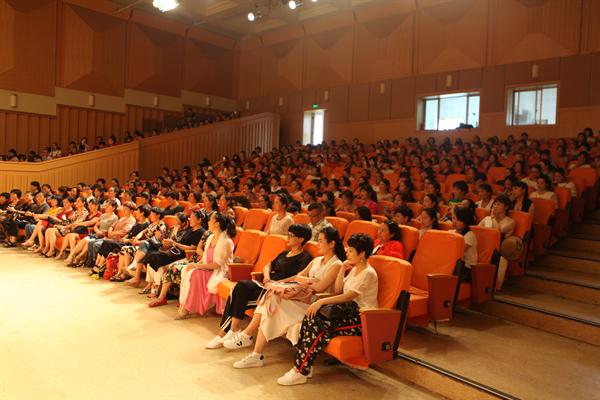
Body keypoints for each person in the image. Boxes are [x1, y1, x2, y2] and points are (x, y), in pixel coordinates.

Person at [229, 227, 345, 368]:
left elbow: (320, 288)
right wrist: (311, 280)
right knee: (271, 301)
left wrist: (307, 281)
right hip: (301, 299)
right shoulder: (317, 260)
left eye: (320, 241)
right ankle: (254, 351)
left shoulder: (336, 264)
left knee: (271, 301)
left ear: (331, 244)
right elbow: (298, 276)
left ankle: (249, 339)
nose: (318, 244)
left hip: (314, 306)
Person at [276, 233, 378, 386]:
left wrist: (321, 302)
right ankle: (305, 367)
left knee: (319, 327)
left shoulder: (368, 273)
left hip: (362, 319)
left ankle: (300, 371)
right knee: (310, 317)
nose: (347, 253)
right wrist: (342, 270)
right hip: (347, 313)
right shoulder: (355, 269)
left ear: (362, 253)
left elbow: (348, 296)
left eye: (351, 250)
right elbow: (338, 290)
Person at [204, 224, 313, 349]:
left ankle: (226, 332)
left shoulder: (305, 257)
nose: (287, 238)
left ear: (301, 239)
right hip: (267, 285)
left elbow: (297, 277)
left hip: (279, 292)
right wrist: (267, 277)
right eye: (287, 234)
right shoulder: (284, 253)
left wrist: (277, 283)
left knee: (239, 293)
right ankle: (232, 330)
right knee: (240, 287)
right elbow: (268, 266)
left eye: (291, 235)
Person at [176, 212, 236, 319]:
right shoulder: (210, 237)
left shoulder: (227, 242)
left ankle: (187, 308)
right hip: (208, 268)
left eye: (210, 220)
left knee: (195, 273)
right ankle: (184, 304)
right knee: (186, 269)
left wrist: (196, 266)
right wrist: (194, 265)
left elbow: (217, 265)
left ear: (217, 224)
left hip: (219, 272)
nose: (208, 222)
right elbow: (205, 259)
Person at [478, 195, 515, 290]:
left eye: (499, 204)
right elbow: (477, 231)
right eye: (494, 204)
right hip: (484, 246)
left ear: (506, 207)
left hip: (499, 249)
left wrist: (493, 217)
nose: (495, 206)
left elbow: (497, 233)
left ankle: (494, 286)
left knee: (501, 260)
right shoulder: (486, 219)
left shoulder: (510, 222)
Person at [450, 206, 478, 282]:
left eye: (458, 220)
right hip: (454, 265)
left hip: (466, 269)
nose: (454, 221)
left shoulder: (470, 235)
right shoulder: (450, 232)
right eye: (453, 218)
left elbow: (457, 252)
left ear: (465, 221)